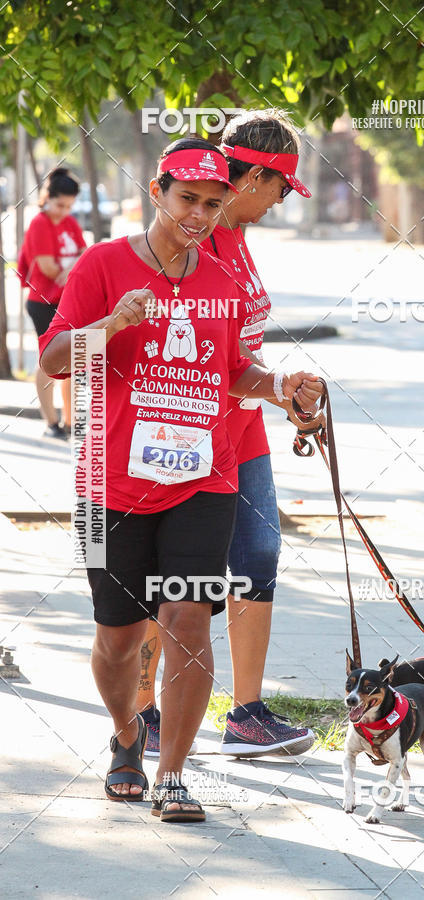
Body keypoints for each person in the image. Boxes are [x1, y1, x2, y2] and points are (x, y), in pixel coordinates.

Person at [39, 137, 323, 823]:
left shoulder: (221, 282)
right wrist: (111, 323)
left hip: (204, 479)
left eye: (212, 203)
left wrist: (282, 386)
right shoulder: (104, 265)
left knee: (187, 618)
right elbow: (52, 359)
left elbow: (234, 373)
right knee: (119, 638)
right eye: (188, 199)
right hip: (110, 483)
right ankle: (129, 734)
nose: (199, 214)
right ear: (158, 191)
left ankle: (173, 776)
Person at [136, 111, 319, 759]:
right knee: (179, 571)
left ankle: (246, 713)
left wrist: (283, 390)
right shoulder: (188, 237)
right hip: (188, 429)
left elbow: (239, 347)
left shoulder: (236, 234)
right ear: (256, 176)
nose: (277, 202)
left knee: (259, 557)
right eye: (278, 188)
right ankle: (141, 713)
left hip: (242, 429)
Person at [18, 167, 86, 438]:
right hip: (42, 301)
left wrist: (67, 268)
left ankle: (71, 423)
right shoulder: (40, 223)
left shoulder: (70, 223)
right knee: (49, 361)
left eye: (69, 206)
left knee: (72, 361)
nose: (64, 212)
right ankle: (51, 423)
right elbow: (47, 268)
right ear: (48, 198)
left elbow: (85, 254)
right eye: (60, 205)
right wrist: (73, 265)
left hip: (65, 300)